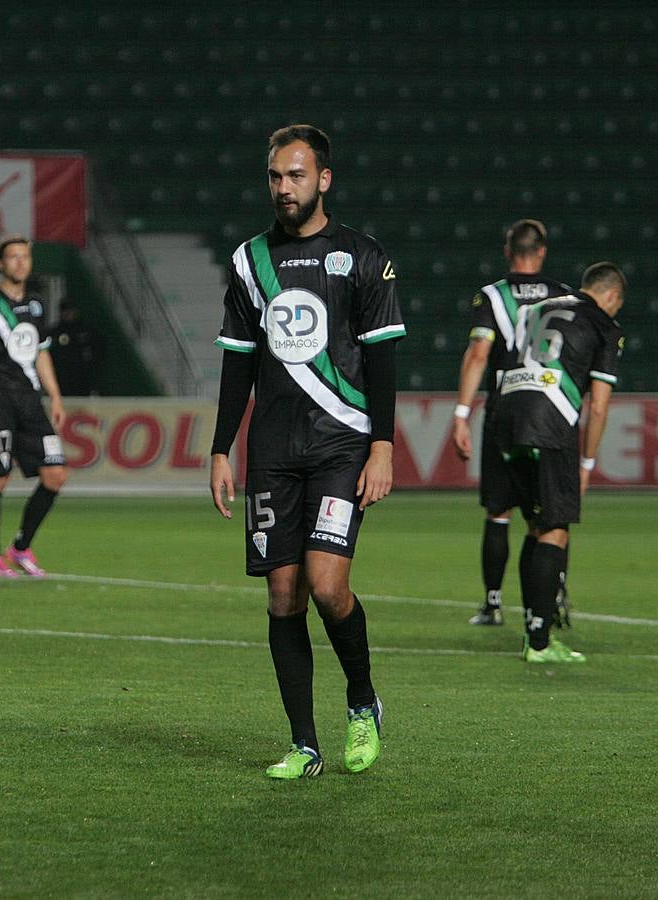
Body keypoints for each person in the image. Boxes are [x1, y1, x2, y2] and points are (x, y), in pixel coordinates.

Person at [210, 124, 404, 779]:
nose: (283, 188)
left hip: (341, 444)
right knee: (282, 594)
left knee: (327, 586)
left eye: (296, 175)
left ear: (324, 179)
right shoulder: (248, 263)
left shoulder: (363, 256)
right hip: (271, 451)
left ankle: (361, 701)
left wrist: (382, 445)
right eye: (275, 177)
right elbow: (237, 366)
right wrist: (219, 451)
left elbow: (381, 362)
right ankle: (304, 744)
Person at [489, 261, 625, 663]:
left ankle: (536, 631)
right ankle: (540, 642)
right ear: (612, 296)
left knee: (535, 525)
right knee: (555, 531)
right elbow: (598, 407)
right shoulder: (604, 324)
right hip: (551, 421)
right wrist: (587, 464)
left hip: (504, 415)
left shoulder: (536, 309)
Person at [451, 220, 576, 628]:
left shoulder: (492, 296)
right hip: (552, 413)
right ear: (541, 252)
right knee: (548, 516)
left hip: (505, 411)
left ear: (508, 251)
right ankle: (550, 599)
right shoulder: (566, 296)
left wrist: (462, 413)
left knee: (499, 511)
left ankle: (492, 604)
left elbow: (478, 353)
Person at [0, 235, 68, 577]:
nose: (21, 262)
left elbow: (42, 352)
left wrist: (55, 395)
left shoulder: (36, 304)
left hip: (30, 399)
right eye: (13, 257)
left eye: (25, 256)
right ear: (1, 264)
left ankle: (20, 547)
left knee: (55, 474)